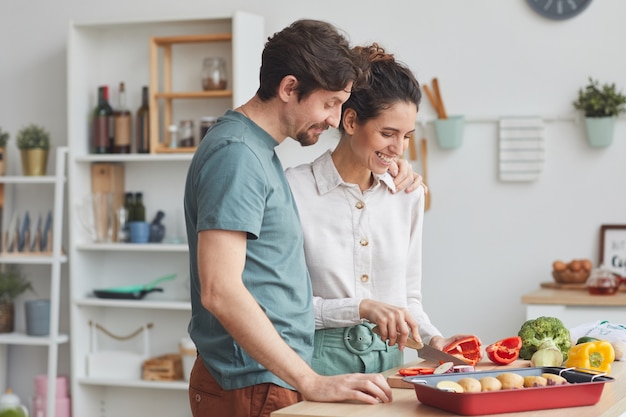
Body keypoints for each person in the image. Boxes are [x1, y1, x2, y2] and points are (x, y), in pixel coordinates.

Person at [183, 20, 423, 417]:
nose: (334, 120)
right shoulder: (237, 155)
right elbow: (219, 290)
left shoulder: (256, 152)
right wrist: (310, 380)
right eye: (329, 104)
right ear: (289, 88)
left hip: (267, 378)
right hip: (252, 380)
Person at [285, 44, 477, 376]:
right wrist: (359, 309)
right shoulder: (292, 191)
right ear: (350, 120)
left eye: (406, 137)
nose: (398, 148)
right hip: (312, 365)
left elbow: (408, 298)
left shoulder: (408, 194)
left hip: (390, 365)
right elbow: (282, 308)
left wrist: (435, 340)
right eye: (388, 133)